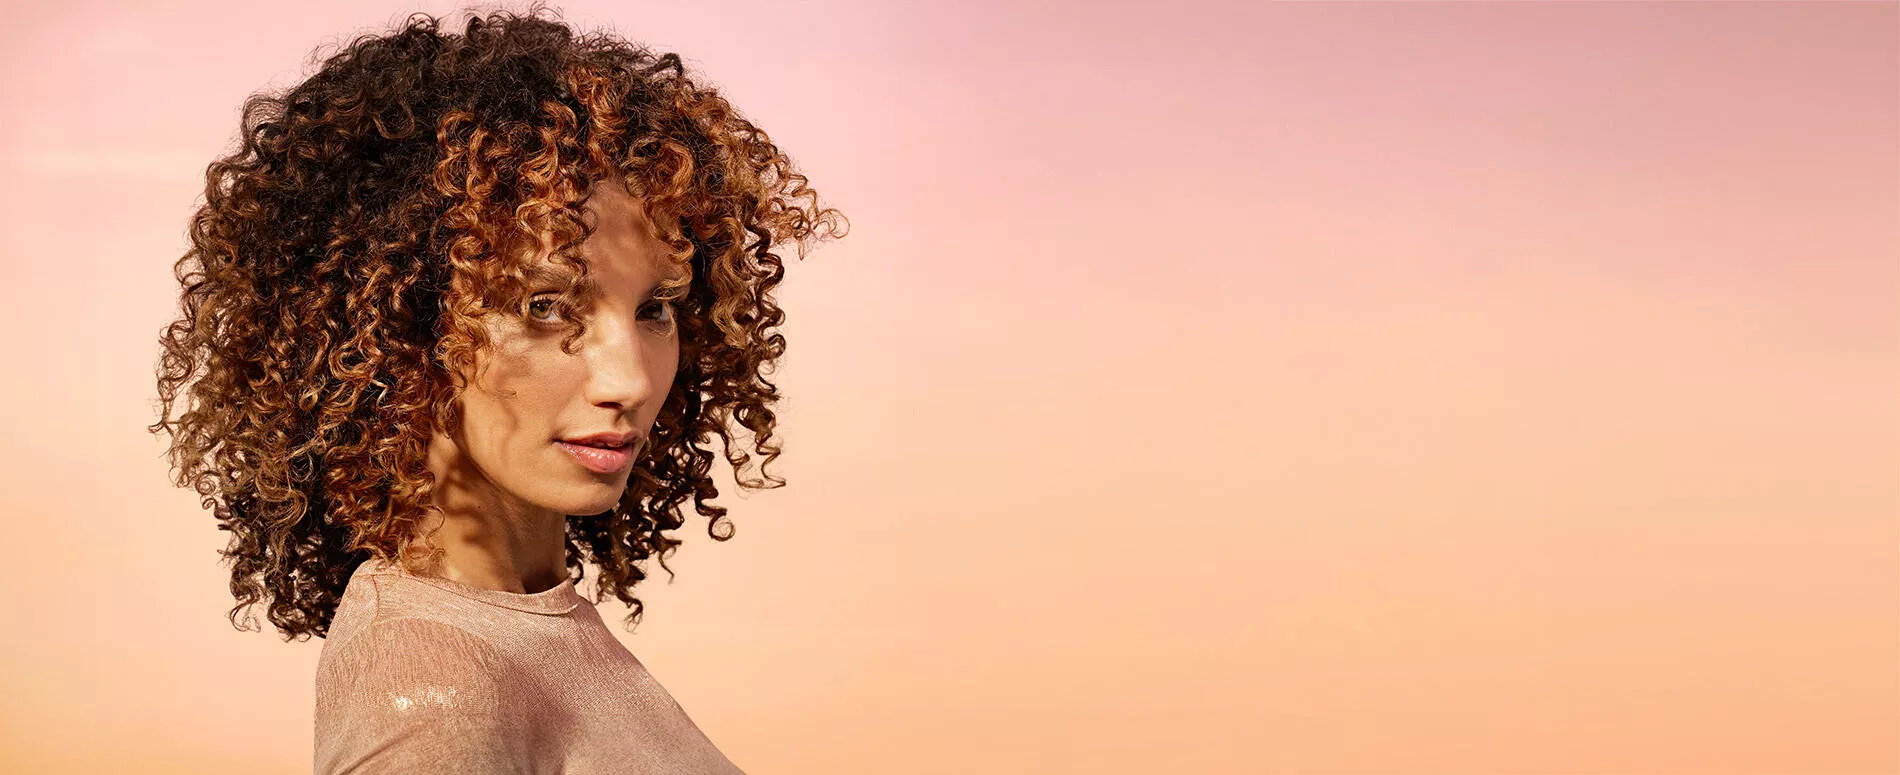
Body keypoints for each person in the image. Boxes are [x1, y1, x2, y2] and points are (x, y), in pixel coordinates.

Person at [148, 5, 846, 773]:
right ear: (399, 331)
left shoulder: (519, 624)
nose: (629, 379)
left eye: (654, 309)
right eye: (544, 306)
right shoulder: (432, 684)